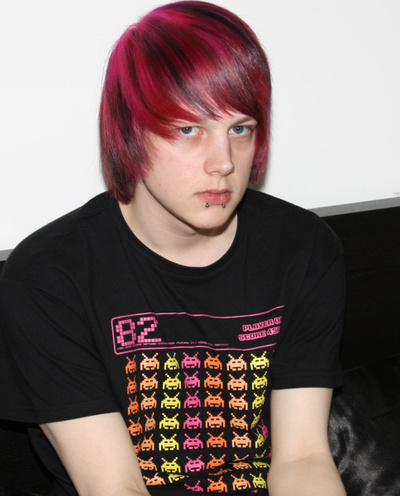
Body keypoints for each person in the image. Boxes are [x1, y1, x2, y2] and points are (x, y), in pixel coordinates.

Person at [0, 2, 347, 495]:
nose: (223, 162)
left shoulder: (303, 249)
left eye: (239, 128)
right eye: (188, 129)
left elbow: (303, 459)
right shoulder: (49, 277)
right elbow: (113, 486)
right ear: (129, 131)